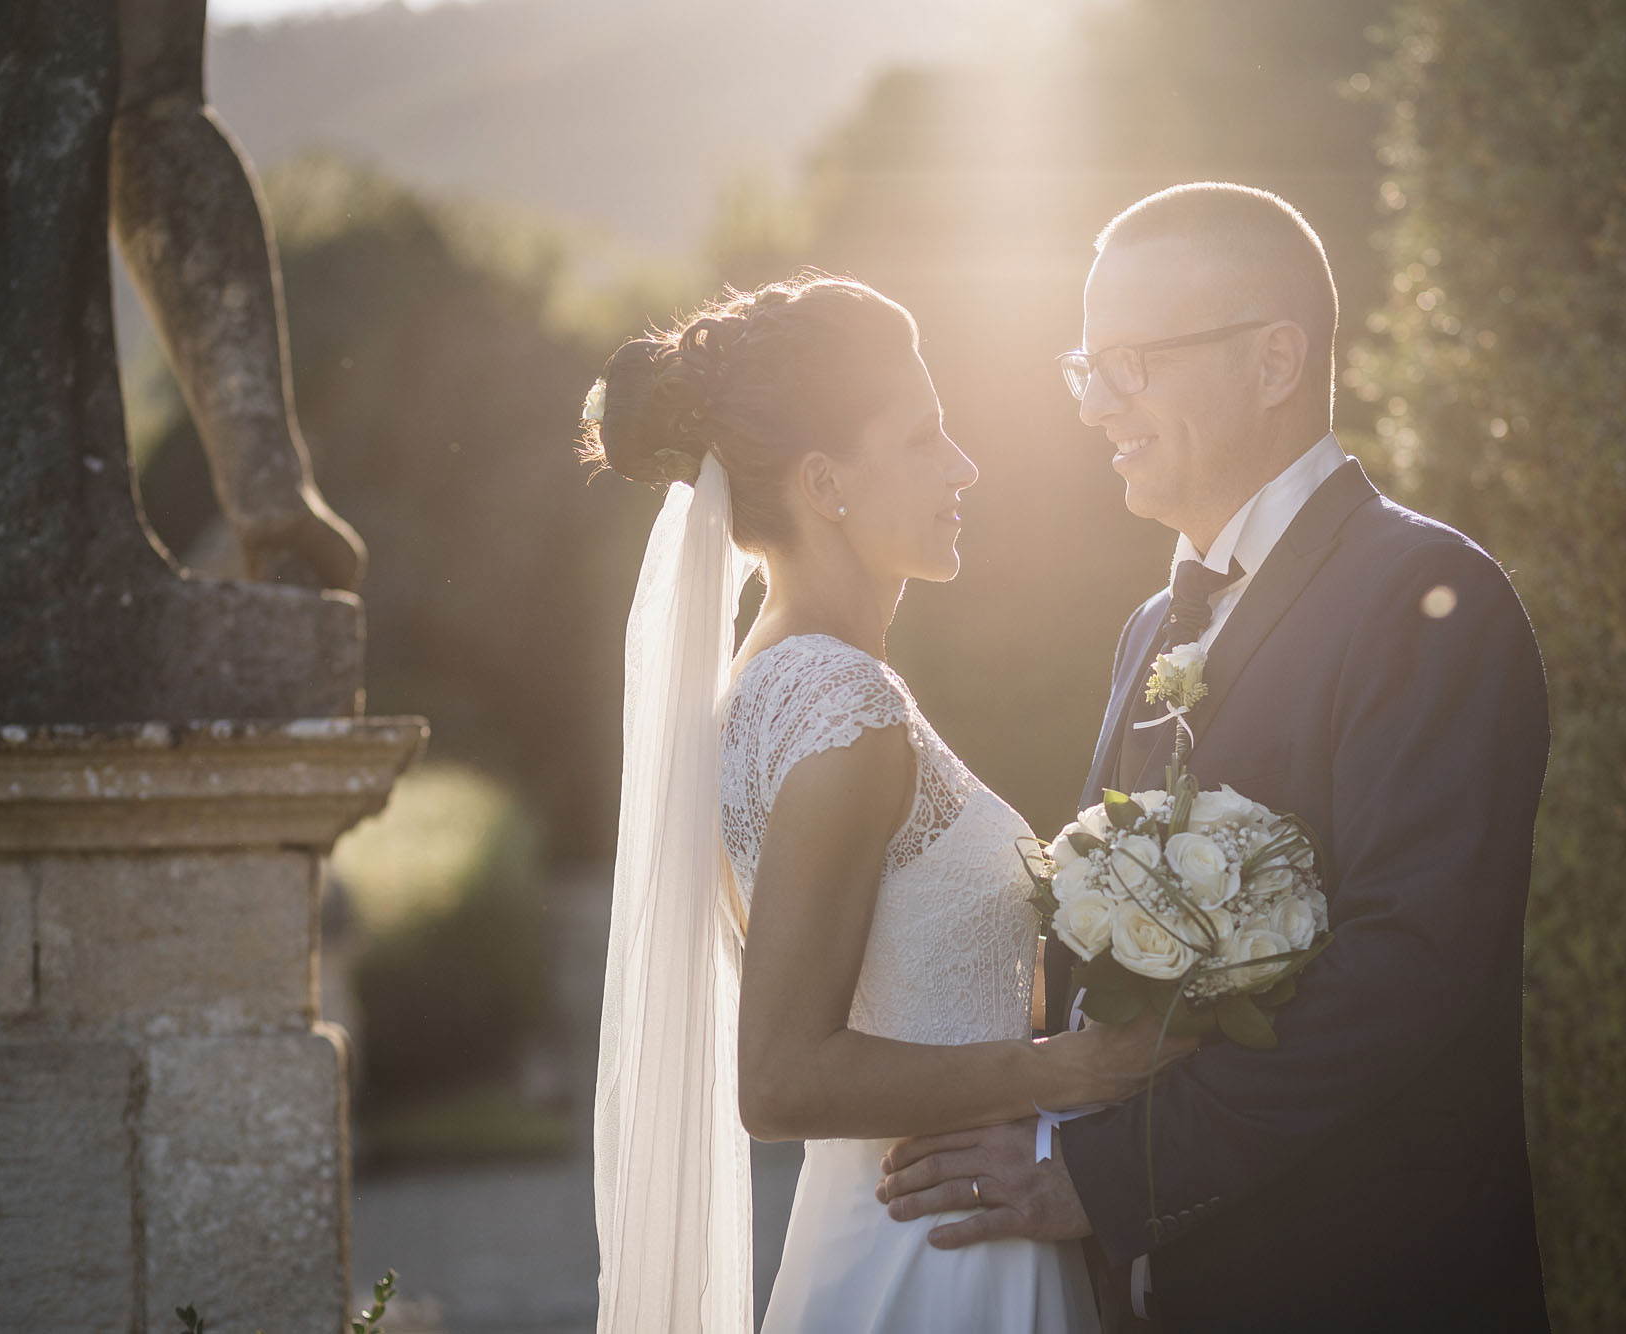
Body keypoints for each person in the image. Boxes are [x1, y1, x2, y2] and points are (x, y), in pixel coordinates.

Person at [878, 183, 1554, 1331]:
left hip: (1367, 1281)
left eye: (1131, 363)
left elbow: (1410, 967)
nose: (1097, 407)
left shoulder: (1430, 599)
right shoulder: (1151, 625)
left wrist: (1098, 1176)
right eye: (1085, 368)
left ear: (1274, 360)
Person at [580, 271, 1185, 1334]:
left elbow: (892, 987)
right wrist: (1069, 1068)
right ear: (825, 481)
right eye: (922, 438)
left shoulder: (768, 684)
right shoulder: (842, 707)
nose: (963, 466)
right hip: (937, 1256)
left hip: (897, 1231)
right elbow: (777, 1078)